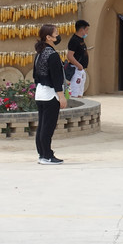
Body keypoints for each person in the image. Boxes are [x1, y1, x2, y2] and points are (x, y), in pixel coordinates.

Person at [33, 23, 68, 164]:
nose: (58, 35)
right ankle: (47, 155)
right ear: (48, 37)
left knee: (42, 125)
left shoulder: (39, 53)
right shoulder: (52, 55)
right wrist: (61, 96)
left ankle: (42, 154)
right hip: (50, 94)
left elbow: (36, 75)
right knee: (48, 127)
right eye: (56, 33)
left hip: (40, 93)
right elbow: (56, 77)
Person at [66, 19, 90, 99]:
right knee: (74, 93)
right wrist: (79, 66)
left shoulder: (81, 39)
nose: (87, 32)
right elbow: (69, 56)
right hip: (76, 70)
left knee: (80, 93)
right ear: (81, 30)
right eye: (86, 30)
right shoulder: (74, 40)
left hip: (81, 70)